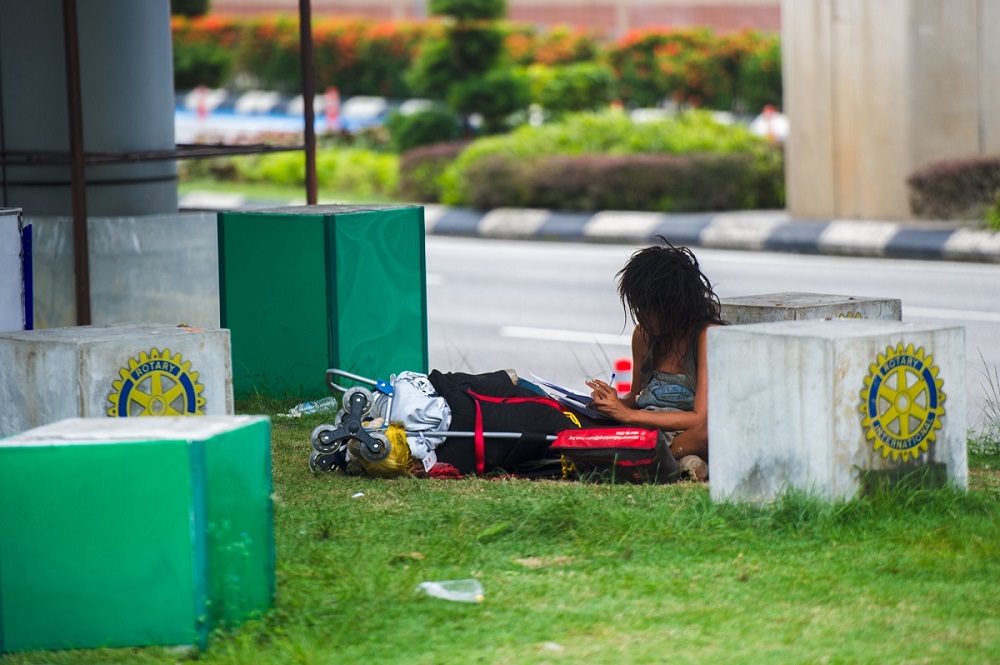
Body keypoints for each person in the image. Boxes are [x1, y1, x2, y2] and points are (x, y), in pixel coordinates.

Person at [585, 240, 724, 478]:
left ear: (677, 305)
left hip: (688, 435)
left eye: (651, 310)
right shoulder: (643, 336)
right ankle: (676, 463)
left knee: (710, 430)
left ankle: (658, 460)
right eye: (639, 308)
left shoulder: (706, 336)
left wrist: (627, 414)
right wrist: (612, 403)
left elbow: (701, 417)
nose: (643, 317)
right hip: (648, 430)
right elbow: (637, 398)